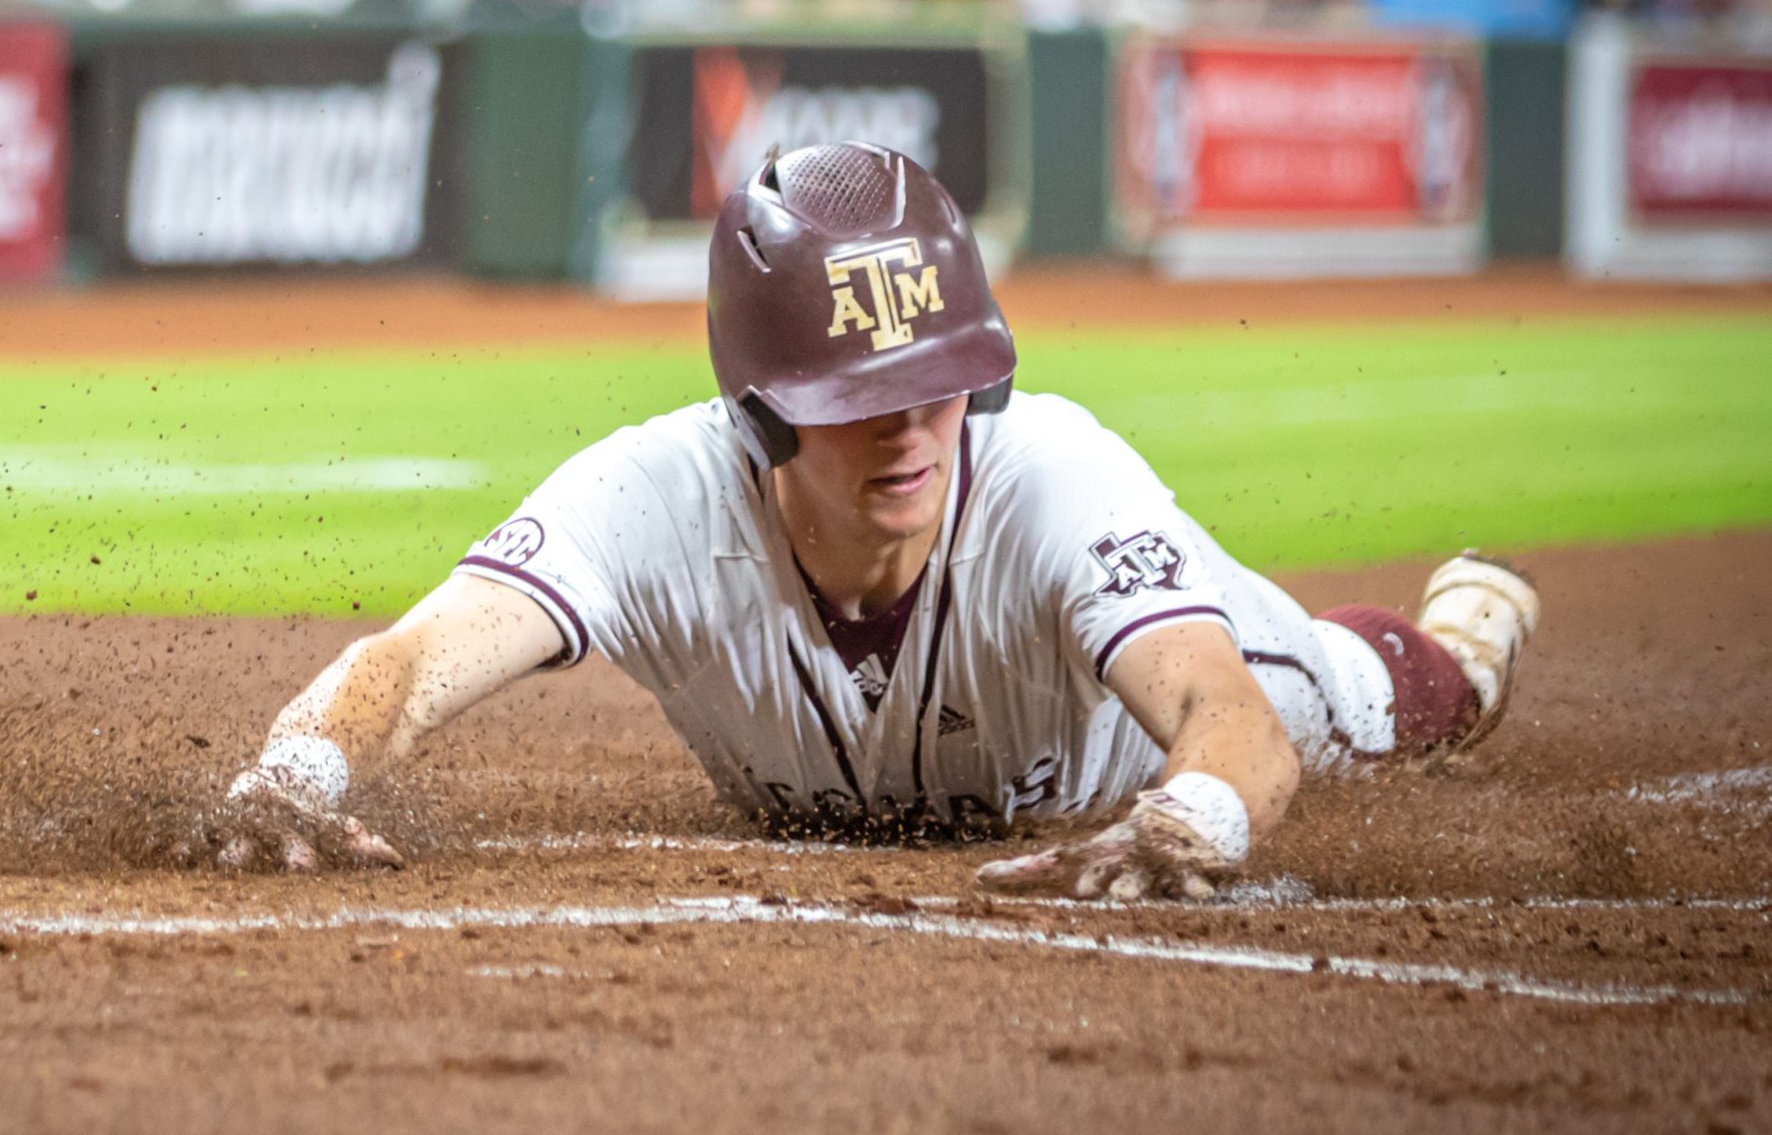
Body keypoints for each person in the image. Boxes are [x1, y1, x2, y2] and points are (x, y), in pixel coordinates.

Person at [186, 142, 1542, 901]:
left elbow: (1229, 715)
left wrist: (1190, 823)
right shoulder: (655, 495)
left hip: (1179, 704)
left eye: (940, 385)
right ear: (762, 409)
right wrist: (296, 772)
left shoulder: (1056, 483)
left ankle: (1462, 644)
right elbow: (421, 658)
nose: (910, 429)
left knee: (1366, 694)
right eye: (860, 398)